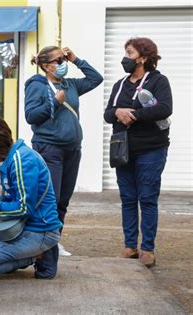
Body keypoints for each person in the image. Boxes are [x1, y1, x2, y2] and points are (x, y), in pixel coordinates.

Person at [24, 46, 103, 256]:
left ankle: (54, 241)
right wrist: (55, 102)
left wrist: (76, 59)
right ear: (46, 66)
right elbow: (31, 116)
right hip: (49, 148)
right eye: (58, 61)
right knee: (51, 198)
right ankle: (43, 242)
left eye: (64, 59)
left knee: (64, 199)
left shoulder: (71, 85)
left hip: (72, 148)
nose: (63, 64)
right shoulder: (37, 85)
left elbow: (96, 79)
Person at [0, 116, 62, 281]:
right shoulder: (13, 157)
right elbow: (14, 200)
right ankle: (17, 252)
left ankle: (38, 254)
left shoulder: (21, 160)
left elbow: (24, 208)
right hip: (23, 225)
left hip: (39, 231)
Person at [104, 37, 172, 268]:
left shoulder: (158, 81)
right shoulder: (120, 84)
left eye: (130, 53)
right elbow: (107, 113)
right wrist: (117, 112)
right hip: (123, 150)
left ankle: (148, 248)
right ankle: (130, 246)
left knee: (148, 198)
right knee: (127, 198)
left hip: (151, 149)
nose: (125, 58)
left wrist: (133, 114)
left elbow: (164, 108)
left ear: (143, 57)